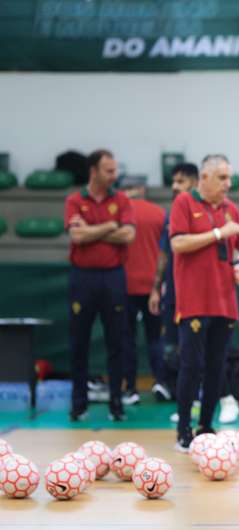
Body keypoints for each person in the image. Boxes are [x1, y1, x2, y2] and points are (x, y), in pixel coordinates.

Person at [169, 154, 239, 451]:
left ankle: (206, 427)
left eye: (229, 178)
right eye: (223, 178)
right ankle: (184, 428)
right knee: (191, 366)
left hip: (224, 302)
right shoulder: (184, 204)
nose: (229, 184)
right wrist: (218, 233)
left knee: (217, 368)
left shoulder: (231, 209)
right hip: (194, 302)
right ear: (205, 178)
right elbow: (178, 243)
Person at [64, 149, 135, 422]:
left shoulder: (122, 199)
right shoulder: (74, 200)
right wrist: (109, 225)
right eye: (108, 170)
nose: (114, 175)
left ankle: (116, 404)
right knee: (78, 342)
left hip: (113, 277)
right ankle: (79, 404)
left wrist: (92, 229)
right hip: (82, 278)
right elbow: (77, 236)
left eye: (115, 170)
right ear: (93, 171)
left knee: (116, 341)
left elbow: (128, 235)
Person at [149, 162, 198, 402]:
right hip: (173, 291)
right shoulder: (170, 214)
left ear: (195, 183)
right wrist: (156, 289)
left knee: (195, 343)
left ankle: (195, 390)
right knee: (169, 342)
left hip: (197, 292)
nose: (174, 186)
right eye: (174, 182)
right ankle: (167, 384)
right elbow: (163, 254)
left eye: (181, 181)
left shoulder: (204, 212)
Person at [120, 181, 166, 406]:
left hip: (124, 286)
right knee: (155, 337)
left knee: (126, 339)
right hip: (152, 287)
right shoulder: (160, 213)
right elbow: (166, 252)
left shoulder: (120, 214)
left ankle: (130, 388)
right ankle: (161, 382)